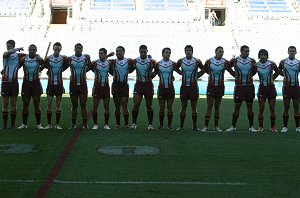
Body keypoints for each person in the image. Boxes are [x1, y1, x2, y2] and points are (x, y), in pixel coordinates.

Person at [199, 46, 234, 132]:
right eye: (220, 51)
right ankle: (206, 126)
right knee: (209, 106)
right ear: (215, 52)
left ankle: (216, 126)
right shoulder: (209, 61)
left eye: (222, 52)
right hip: (211, 86)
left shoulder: (225, 62)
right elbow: (205, 70)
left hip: (220, 86)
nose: (221, 53)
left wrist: (238, 76)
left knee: (217, 107)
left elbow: (230, 71)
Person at [226, 45, 257, 132]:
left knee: (250, 106)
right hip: (239, 87)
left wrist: (251, 75)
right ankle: (233, 126)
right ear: (241, 51)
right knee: (237, 106)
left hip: (249, 86)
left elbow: (255, 70)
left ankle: (251, 126)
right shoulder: (235, 60)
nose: (247, 52)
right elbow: (227, 67)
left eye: (248, 51)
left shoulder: (252, 60)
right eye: (246, 51)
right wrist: (234, 74)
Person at [41, 42, 69, 130]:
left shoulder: (64, 58)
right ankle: (49, 124)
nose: (57, 51)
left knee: (58, 104)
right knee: (49, 104)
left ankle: (57, 124)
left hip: (59, 84)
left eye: (58, 49)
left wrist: (62, 70)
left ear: (61, 49)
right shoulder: (49, 58)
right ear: (53, 49)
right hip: (50, 84)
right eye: (55, 49)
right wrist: (44, 69)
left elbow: (68, 64)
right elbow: (42, 65)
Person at [175, 45, 203, 130]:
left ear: (192, 51)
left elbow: (204, 69)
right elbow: (175, 68)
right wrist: (181, 73)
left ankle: (194, 126)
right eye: (187, 50)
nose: (188, 52)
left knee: (194, 106)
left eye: (190, 50)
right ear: (184, 51)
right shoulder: (181, 61)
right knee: (183, 106)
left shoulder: (197, 61)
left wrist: (197, 76)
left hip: (193, 87)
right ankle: (181, 126)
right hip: (184, 87)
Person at [152, 47, 180, 130]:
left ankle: (169, 125)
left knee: (170, 107)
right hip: (161, 88)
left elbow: (180, 72)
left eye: (169, 52)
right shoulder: (157, 64)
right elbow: (154, 74)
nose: (168, 54)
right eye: (166, 52)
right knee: (161, 107)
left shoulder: (173, 64)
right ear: (162, 54)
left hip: (170, 88)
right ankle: (161, 125)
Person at [130, 45, 156, 130]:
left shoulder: (152, 61)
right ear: (139, 51)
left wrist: (152, 75)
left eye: (145, 52)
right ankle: (134, 123)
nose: (143, 53)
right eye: (142, 52)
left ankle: (150, 125)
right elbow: (130, 70)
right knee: (136, 104)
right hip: (139, 84)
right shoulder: (135, 61)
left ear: (147, 51)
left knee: (149, 105)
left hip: (148, 84)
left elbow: (157, 70)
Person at [18, 44, 44, 129]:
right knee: (25, 103)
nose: (32, 51)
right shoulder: (24, 59)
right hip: (26, 84)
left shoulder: (39, 59)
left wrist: (41, 67)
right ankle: (24, 124)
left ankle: (38, 124)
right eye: (30, 49)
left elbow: (46, 64)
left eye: (33, 50)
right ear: (28, 50)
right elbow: (17, 66)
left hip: (36, 83)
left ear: (36, 51)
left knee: (37, 103)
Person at [255, 49, 281, 133]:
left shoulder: (271, 64)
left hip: (271, 88)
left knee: (272, 109)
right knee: (261, 108)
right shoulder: (256, 65)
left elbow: (278, 72)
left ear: (267, 56)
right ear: (259, 56)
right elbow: (250, 73)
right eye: (261, 55)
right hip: (262, 88)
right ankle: (260, 127)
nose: (263, 56)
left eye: (264, 55)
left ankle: (273, 127)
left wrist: (273, 77)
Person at [110, 46, 135, 129]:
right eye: (116, 51)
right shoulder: (113, 62)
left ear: (124, 52)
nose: (117, 52)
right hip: (115, 85)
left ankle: (126, 124)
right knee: (117, 105)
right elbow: (102, 63)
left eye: (119, 51)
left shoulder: (129, 61)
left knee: (124, 103)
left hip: (124, 85)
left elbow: (133, 68)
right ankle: (117, 124)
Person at [1, 40, 24, 129]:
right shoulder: (5, 54)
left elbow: (30, 57)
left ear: (13, 46)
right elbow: (7, 54)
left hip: (14, 83)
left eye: (10, 46)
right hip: (5, 83)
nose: (8, 48)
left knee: (13, 104)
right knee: (5, 104)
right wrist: (17, 49)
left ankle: (13, 125)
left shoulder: (19, 56)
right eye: (7, 46)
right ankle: (4, 125)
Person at [68, 43, 91, 129]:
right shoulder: (70, 59)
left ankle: (85, 124)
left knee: (83, 104)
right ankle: (73, 124)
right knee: (74, 104)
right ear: (74, 49)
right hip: (73, 85)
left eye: (79, 48)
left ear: (82, 49)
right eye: (76, 48)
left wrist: (84, 72)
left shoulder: (86, 58)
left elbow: (91, 66)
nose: (78, 49)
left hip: (83, 84)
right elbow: (63, 66)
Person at [278, 46, 300, 133]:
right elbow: (278, 70)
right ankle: (285, 127)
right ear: (288, 52)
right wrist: (284, 75)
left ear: (296, 52)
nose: (291, 52)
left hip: (296, 87)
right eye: (290, 51)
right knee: (286, 107)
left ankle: (298, 127)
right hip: (286, 87)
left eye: (293, 51)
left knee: (296, 107)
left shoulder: (298, 62)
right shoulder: (283, 62)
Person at [90, 48, 113, 130]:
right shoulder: (95, 63)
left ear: (105, 54)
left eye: (102, 53)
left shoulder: (109, 63)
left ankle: (106, 124)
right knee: (95, 106)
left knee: (106, 106)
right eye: (99, 53)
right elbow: (88, 68)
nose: (100, 55)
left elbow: (112, 72)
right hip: (97, 87)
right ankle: (95, 124)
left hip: (106, 87)